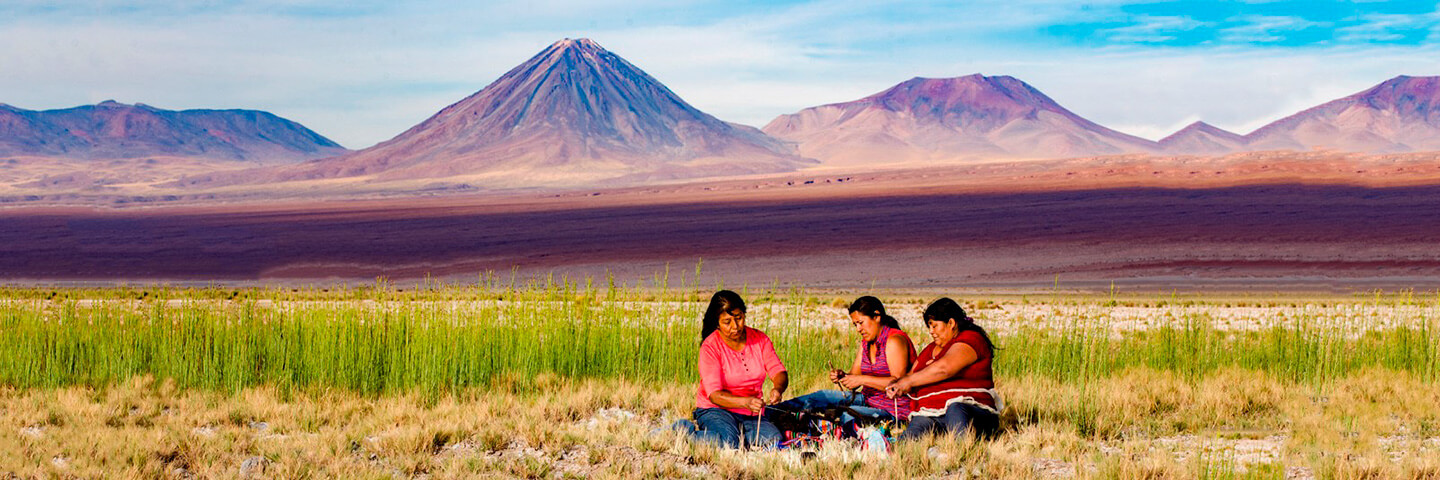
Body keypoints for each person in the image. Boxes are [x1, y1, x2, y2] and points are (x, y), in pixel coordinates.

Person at [774, 296, 915, 436]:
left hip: (893, 410)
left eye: (861, 322)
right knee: (818, 397)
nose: (858, 329)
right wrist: (843, 376)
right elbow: (854, 377)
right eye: (855, 325)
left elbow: (898, 383)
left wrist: (861, 380)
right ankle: (770, 412)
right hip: (868, 400)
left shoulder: (895, 340)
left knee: (847, 416)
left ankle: (809, 427)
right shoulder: (866, 343)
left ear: (877, 316)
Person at [673, 290, 789, 449]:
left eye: (739, 318)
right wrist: (745, 402)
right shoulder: (710, 347)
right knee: (730, 443)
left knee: (774, 440)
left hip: (750, 414)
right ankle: (683, 431)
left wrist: (778, 389)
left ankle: (734, 435)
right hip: (715, 410)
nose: (735, 326)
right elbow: (714, 395)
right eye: (727, 322)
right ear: (717, 323)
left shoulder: (760, 339)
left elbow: (778, 371)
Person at [886, 297, 1002, 440]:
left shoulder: (971, 339)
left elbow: (945, 368)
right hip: (931, 413)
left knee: (956, 408)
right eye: (929, 327)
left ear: (951, 323)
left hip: (969, 411)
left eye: (934, 326)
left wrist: (908, 382)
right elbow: (910, 376)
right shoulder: (930, 349)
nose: (931, 331)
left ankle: (962, 451)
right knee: (914, 431)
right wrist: (898, 386)